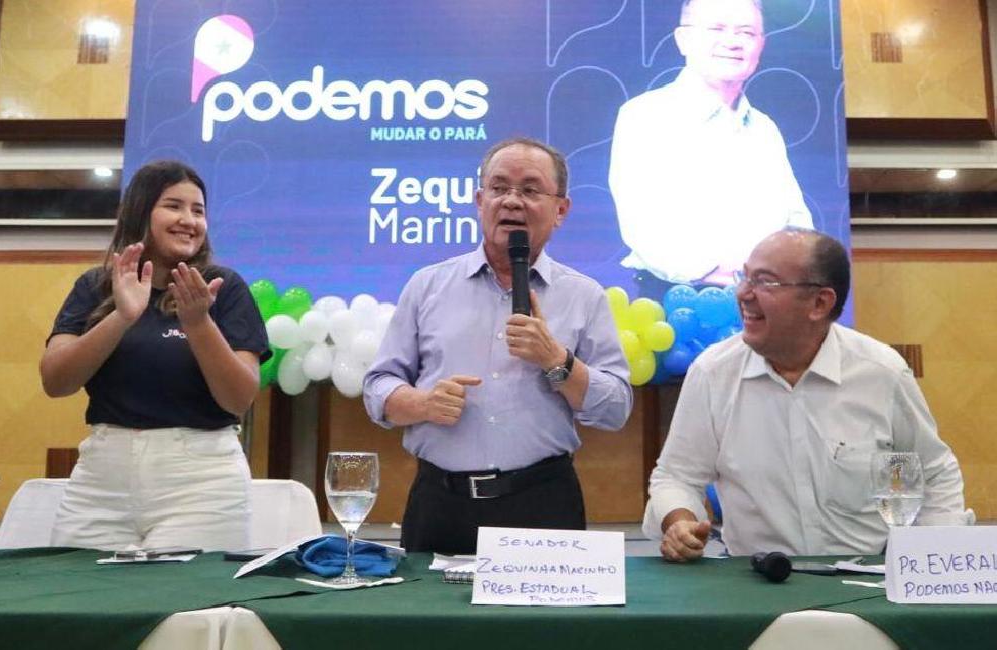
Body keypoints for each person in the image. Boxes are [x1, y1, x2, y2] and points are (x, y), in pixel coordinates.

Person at [364, 137, 633, 554]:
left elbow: (615, 407)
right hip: (440, 503)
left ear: (561, 210)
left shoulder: (585, 295)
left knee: (539, 623)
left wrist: (556, 360)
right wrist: (421, 404)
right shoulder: (427, 286)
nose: (511, 201)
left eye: (529, 189)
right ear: (479, 199)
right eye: (499, 187)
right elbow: (378, 385)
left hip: (542, 504)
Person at [644, 228, 969, 560]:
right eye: (745, 277)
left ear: (820, 302)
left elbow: (933, 472)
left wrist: (935, 560)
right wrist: (679, 522)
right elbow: (676, 476)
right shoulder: (713, 373)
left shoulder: (881, 372)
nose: (743, 293)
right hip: (756, 582)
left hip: (867, 584)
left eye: (764, 281)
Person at [40, 160, 269, 552]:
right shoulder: (95, 286)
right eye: (174, 206)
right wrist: (123, 316)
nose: (189, 220)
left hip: (201, 480)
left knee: (185, 609)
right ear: (140, 212)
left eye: (198, 211)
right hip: (102, 477)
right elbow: (56, 381)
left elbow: (239, 398)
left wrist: (198, 323)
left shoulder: (223, 288)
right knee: (80, 599)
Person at [608, 0, 812, 295]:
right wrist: (740, 277)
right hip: (680, 304)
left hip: (770, 304)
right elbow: (646, 229)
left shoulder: (764, 128)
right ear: (683, 39)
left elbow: (798, 225)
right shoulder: (645, 116)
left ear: (761, 45)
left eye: (746, 32)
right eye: (717, 28)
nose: (732, 43)